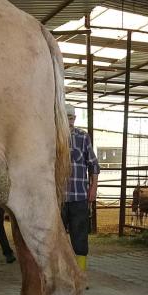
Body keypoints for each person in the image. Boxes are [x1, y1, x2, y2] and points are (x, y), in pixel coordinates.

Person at [63, 104, 99, 271]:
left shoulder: (83, 137)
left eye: (71, 118)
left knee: (80, 236)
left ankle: (80, 273)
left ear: (75, 119)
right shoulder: (52, 136)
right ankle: (60, 271)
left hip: (79, 196)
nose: (69, 121)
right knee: (56, 236)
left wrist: (93, 188)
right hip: (58, 197)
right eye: (66, 118)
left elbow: (93, 165)